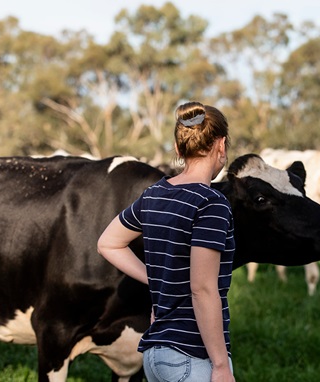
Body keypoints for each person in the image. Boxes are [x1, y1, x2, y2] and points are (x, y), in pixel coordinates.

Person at [97, 101, 236, 382]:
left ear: (177, 148)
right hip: (193, 355)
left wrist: (155, 279)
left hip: (154, 356)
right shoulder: (211, 204)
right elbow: (202, 289)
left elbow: (108, 243)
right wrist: (220, 366)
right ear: (221, 145)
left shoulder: (155, 194)